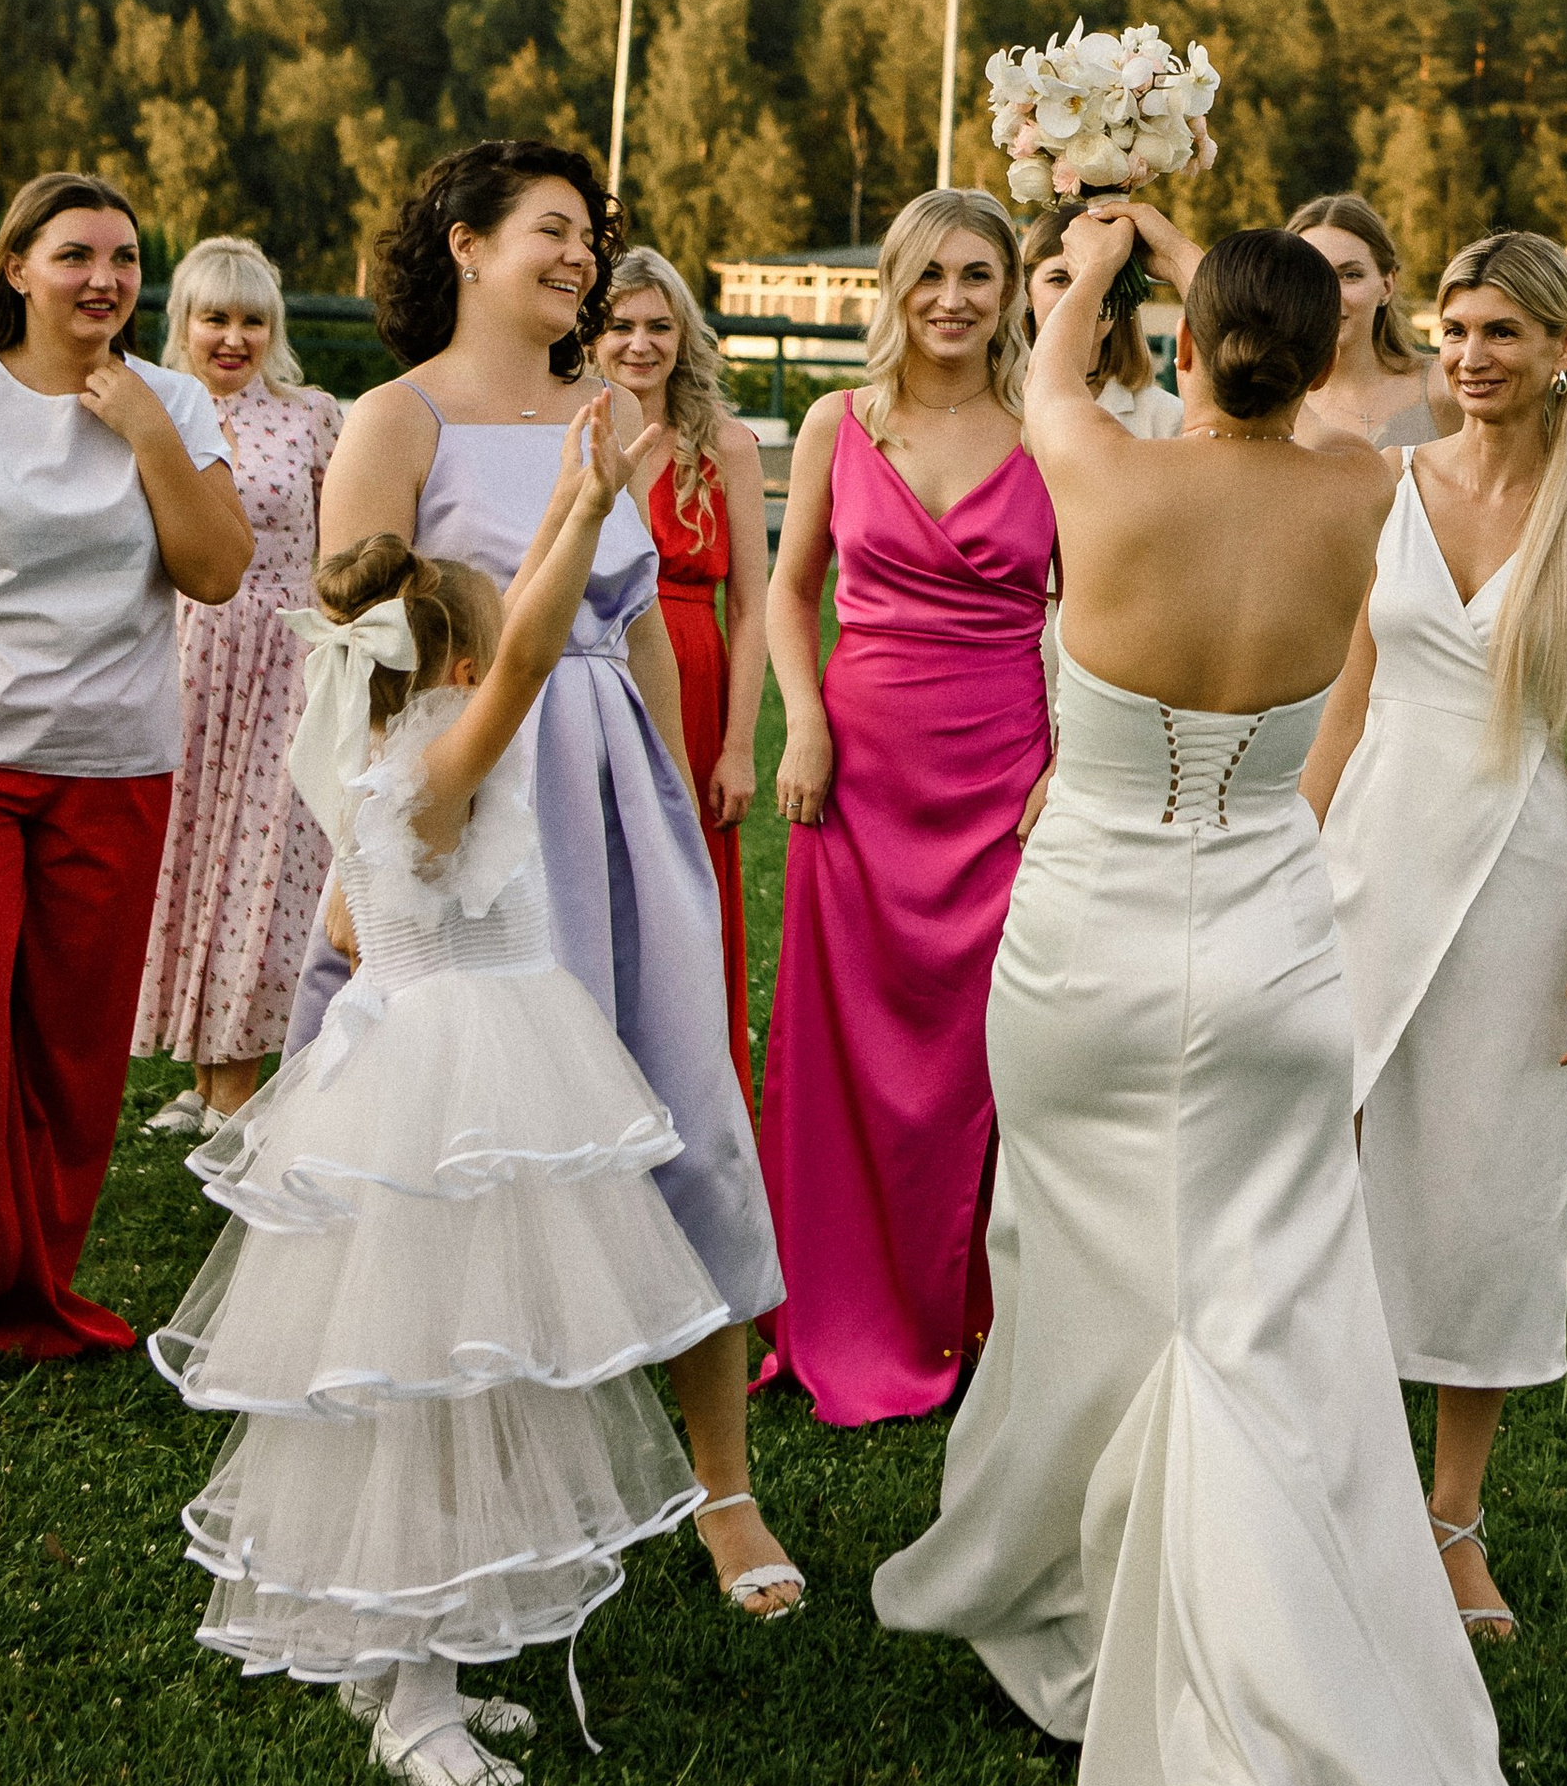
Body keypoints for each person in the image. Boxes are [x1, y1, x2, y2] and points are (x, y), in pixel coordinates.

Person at [876, 212, 1544, 1786]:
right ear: (1330, 360)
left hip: (1085, 958)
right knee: (1251, 1326)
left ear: (1178, 349)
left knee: (1085, 1280)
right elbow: (1314, 410)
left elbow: (1043, 353)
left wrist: (1105, 240)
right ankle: (1186, 1634)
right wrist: (1215, 269)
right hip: (1269, 963)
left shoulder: (1093, 461)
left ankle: (1132, 1659)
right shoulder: (1371, 498)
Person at [151, 397, 738, 1786]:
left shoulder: (372, 746)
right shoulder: (444, 763)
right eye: (491, 651)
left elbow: (354, 931)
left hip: (406, 1051)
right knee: (440, 1380)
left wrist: (566, 501)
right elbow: (535, 642)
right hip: (459, 1081)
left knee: (442, 1367)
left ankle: (397, 1660)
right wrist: (590, 514)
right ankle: (414, 1690)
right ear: (464, 663)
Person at [300, 141, 798, 1619]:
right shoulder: (395, 417)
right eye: (553, 231)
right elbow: (354, 659)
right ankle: (491, 1483)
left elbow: (634, 613)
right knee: (496, 1148)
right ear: (465, 243)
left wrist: (684, 764)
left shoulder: (611, 408)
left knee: (689, 1110)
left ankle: (724, 1486)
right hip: (477, 799)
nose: (581, 258)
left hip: (617, 792)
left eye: (592, 237)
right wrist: (367, 843)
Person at [0, 173, 250, 1382]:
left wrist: (148, 434)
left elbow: (217, 570)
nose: (106, 278)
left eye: (124, 257)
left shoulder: (169, 398)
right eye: (76, 254)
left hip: (114, 767)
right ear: (15, 268)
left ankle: (11, 1296)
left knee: (69, 1056)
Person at [1306, 230, 1567, 1637]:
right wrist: (1287, 859)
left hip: (1523, 866)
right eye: (1452, 327)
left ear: (1566, 346)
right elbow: (1341, 701)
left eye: (1502, 329)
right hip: (1366, 845)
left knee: (1489, 1187)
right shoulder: (1386, 485)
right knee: (1320, 1159)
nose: (1468, 354)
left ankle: (1452, 1518)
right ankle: (1330, 1481)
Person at [760, 187, 1054, 1426]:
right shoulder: (839, 420)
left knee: (988, 1050)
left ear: (1010, 292)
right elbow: (788, 591)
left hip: (1001, 771)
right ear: (891, 284)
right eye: (929, 274)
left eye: (978, 274)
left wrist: (1062, 764)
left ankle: (975, 1315)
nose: (951, 298)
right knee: (847, 1045)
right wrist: (808, 724)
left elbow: (1087, 615)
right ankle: (837, 1306)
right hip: (859, 765)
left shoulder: (1052, 427)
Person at [135, 238, 347, 1132]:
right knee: (187, 863)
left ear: (274, 327)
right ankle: (199, 1075)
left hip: (281, 665)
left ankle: (244, 1087)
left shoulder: (312, 416)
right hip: (180, 658)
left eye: (251, 318)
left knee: (264, 872)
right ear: (182, 323)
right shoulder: (152, 410)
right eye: (214, 317)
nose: (232, 336)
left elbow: (341, 544)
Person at [594, 245, 766, 1102]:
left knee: (686, 898)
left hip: (694, 685)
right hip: (593, 676)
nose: (639, 343)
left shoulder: (727, 444)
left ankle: (693, 1097)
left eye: (659, 325)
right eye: (620, 324)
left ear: (684, 334)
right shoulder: (567, 435)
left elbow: (754, 608)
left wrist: (738, 746)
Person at [1287, 193, 1447, 449]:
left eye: (1350, 275)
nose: (1330, 295)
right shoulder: (1270, 404)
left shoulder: (1442, 392)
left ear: (1387, 285)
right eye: (1311, 275)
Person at [1020, 200, 1185, 436]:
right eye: (1059, 279)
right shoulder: (995, 406)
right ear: (1026, 291)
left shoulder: (1166, 419)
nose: (1080, 295)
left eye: (1101, 278)